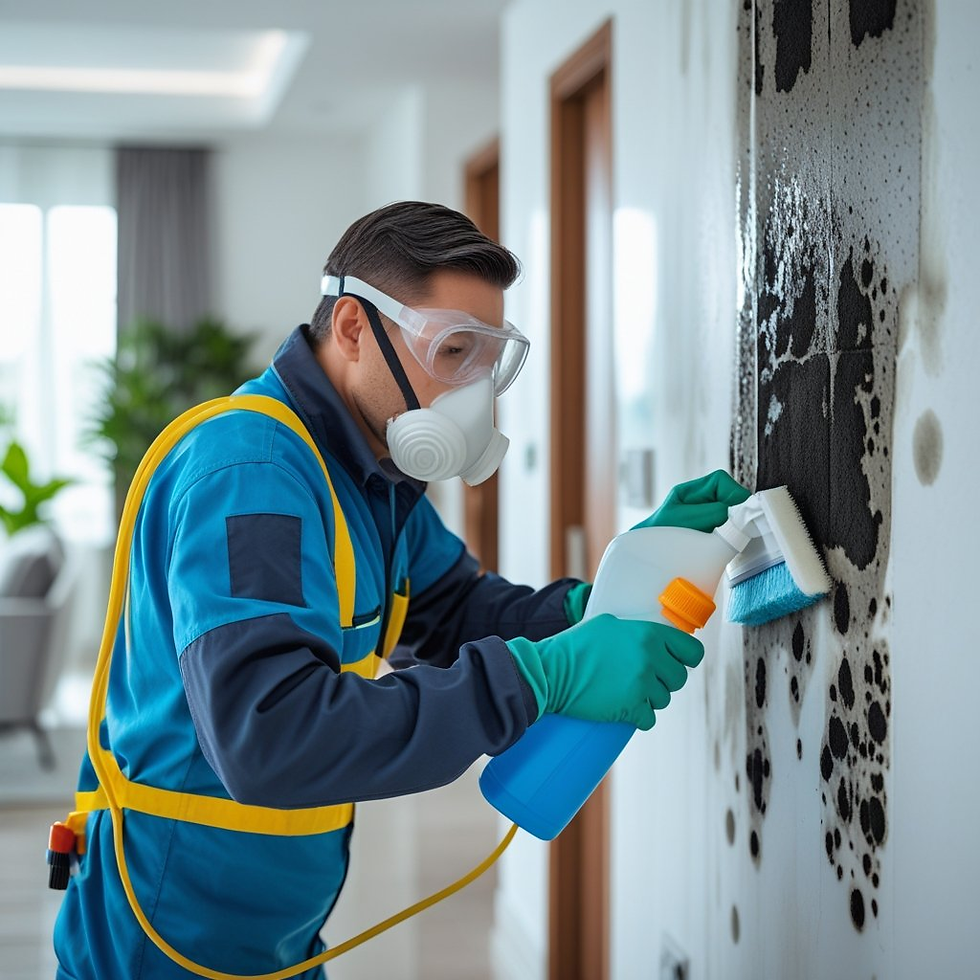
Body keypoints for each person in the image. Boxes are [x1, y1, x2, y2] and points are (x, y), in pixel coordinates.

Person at [52, 202, 747, 979]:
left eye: (488, 360)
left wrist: (617, 591)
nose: (473, 389)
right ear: (353, 327)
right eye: (453, 351)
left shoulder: (370, 476)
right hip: (168, 930)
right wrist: (541, 677)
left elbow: (457, 610)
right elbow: (269, 738)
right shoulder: (251, 475)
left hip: (272, 931)